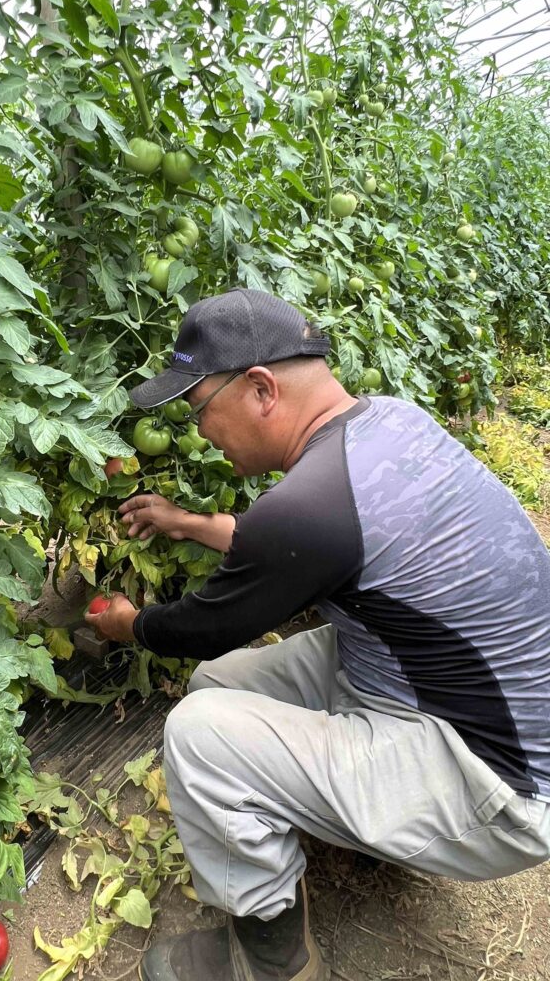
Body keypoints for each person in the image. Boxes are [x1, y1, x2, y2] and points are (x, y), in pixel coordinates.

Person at [84, 288, 550, 981]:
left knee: (200, 732)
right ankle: (323, 823)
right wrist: (188, 522)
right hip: (451, 699)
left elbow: (203, 627)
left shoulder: (307, 509)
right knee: (224, 687)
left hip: (501, 785)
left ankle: (273, 961)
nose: (201, 431)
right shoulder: (385, 426)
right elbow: (303, 546)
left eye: (198, 408)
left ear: (261, 388)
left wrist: (126, 624)